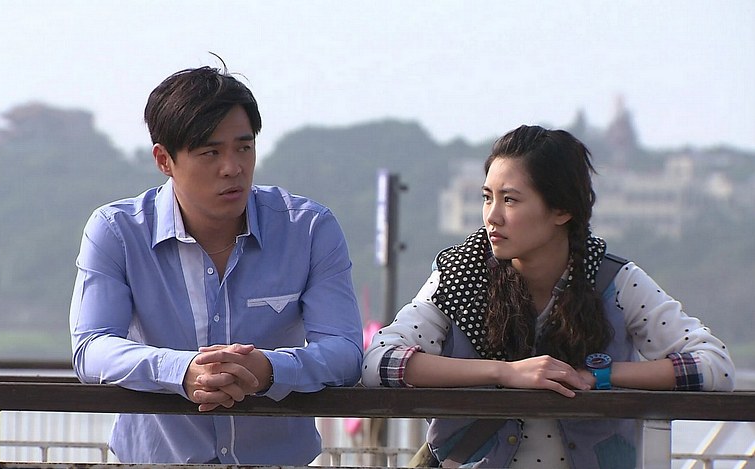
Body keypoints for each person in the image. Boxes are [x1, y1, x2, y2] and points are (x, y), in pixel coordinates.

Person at [362, 125, 736, 469]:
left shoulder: (612, 280)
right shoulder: (461, 275)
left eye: (510, 200)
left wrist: (598, 376)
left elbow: (715, 365)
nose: (492, 216)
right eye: (487, 197)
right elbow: (379, 361)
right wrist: (505, 373)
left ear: (562, 210)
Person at [70, 62, 363, 465]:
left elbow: (345, 351)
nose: (233, 167)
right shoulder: (117, 232)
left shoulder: (309, 229)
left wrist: (270, 370)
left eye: (244, 147)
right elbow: (91, 349)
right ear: (164, 159)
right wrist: (181, 370)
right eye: (211, 152)